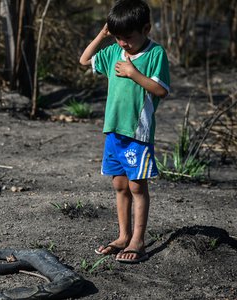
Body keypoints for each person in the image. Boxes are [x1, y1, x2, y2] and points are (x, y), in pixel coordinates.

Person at [79, 0, 170, 263]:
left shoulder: (155, 54)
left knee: (137, 186)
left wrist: (133, 73)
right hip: (113, 133)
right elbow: (84, 60)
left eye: (128, 38)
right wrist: (102, 34)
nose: (123, 44)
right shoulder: (113, 52)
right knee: (119, 185)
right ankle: (122, 236)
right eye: (118, 37)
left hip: (137, 135)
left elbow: (161, 90)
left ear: (146, 28)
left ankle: (137, 241)